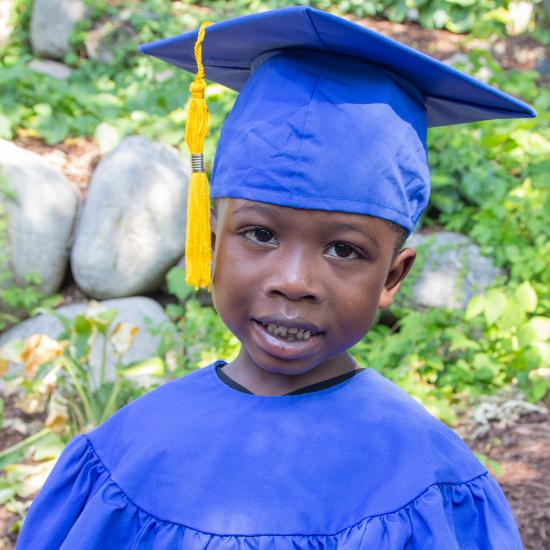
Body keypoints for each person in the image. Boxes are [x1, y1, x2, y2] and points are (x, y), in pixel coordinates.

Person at [17, 6, 534, 549]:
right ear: (212, 242)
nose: (293, 280)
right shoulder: (127, 454)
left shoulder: (429, 478)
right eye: (260, 235)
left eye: (344, 249)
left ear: (393, 276)